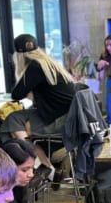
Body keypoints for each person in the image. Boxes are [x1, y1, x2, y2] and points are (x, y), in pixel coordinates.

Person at [4, 33, 76, 173]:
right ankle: (46, 169)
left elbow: (16, 94)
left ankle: (42, 167)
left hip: (59, 121)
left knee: (13, 122)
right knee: (18, 124)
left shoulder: (35, 66)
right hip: (69, 117)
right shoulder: (49, 63)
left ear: (18, 56)